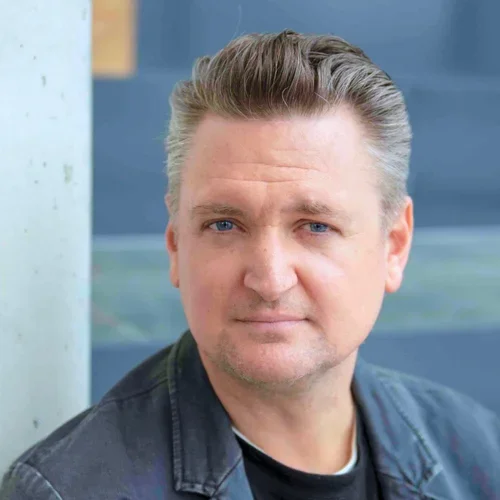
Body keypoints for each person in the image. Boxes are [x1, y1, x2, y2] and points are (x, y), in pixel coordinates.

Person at [1, 30, 499, 500]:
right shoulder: (69, 490)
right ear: (176, 246)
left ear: (394, 245)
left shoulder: (478, 453)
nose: (270, 279)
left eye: (315, 226)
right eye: (224, 225)